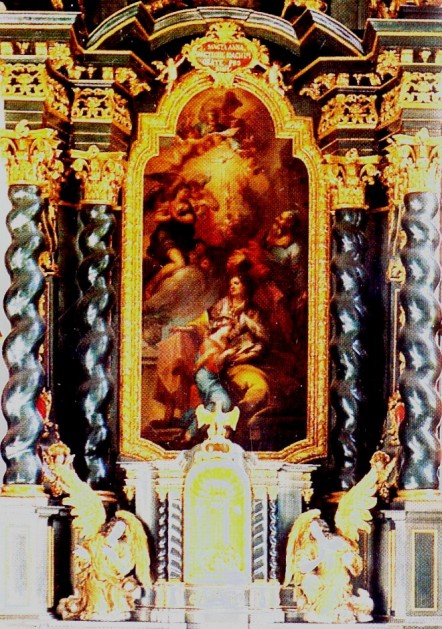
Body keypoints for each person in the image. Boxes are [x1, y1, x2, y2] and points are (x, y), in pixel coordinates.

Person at [144, 182, 197, 299]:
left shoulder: (188, 207)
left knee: (182, 265)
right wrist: (170, 217)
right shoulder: (169, 204)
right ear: (179, 191)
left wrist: (177, 217)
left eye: (188, 193)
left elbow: (190, 219)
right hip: (164, 237)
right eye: (184, 191)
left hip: (178, 240)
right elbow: (157, 218)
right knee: (179, 263)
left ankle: (159, 289)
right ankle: (151, 285)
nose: (186, 194)